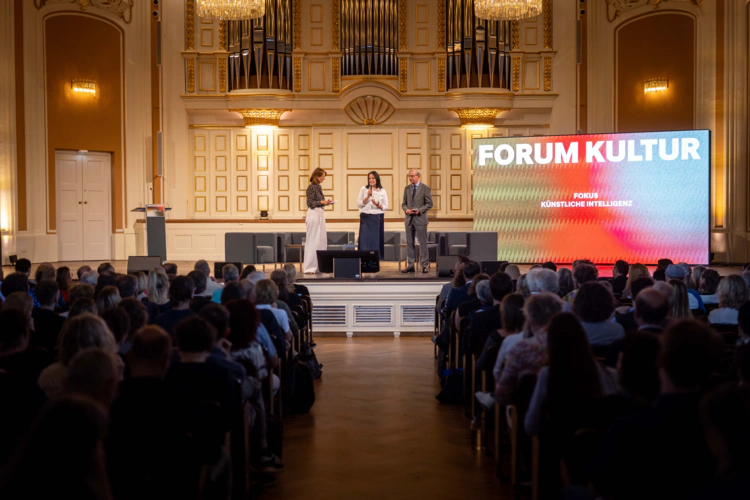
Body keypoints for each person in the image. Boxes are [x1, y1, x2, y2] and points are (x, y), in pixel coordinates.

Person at [401, 169, 433, 274]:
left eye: (412, 176)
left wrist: (419, 210)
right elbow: (404, 203)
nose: (410, 178)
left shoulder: (425, 188)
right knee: (410, 243)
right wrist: (406, 209)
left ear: (418, 176)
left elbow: (429, 204)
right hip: (409, 219)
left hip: (420, 219)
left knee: (423, 243)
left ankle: (424, 265)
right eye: (409, 176)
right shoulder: (407, 189)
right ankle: (411, 265)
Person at [304, 167, 333, 274]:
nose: (324, 178)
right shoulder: (311, 187)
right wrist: (322, 202)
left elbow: (319, 201)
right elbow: (310, 203)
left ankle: (320, 266)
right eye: (322, 176)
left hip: (320, 213)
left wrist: (326, 202)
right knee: (313, 240)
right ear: (317, 176)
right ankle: (310, 267)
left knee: (321, 240)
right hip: (313, 213)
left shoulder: (318, 187)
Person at [357, 171, 388, 259]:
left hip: (377, 217)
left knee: (375, 240)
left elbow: (386, 207)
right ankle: (363, 258)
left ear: (377, 179)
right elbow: (359, 204)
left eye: (373, 178)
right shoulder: (363, 189)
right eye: (369, 178)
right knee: (364, 240)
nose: (371, 180)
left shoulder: (382, 191)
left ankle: (374, 259)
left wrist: (378, 205)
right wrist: (367, 197)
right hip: (365, 216)